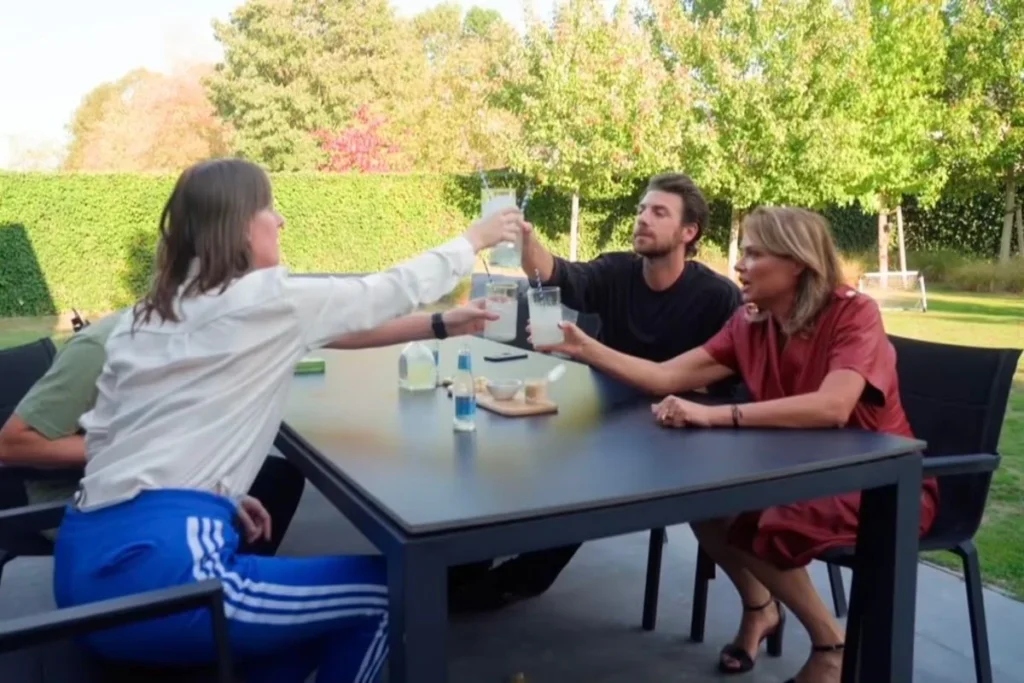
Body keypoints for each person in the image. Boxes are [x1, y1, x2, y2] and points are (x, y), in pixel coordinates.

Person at [50, 157, 524, 683]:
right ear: (239, 227)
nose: (280, 221)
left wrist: (221, 492)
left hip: (81, 571)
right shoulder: (267, 299)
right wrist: (473, 239)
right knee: (387, 593)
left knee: (312, 635)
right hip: (168, 576)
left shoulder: (144, 318)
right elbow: (386, 290)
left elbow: (118, 440)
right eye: (269, 209)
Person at [532, 206, 939, 683]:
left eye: (754, 254)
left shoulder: (853, 313)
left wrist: (715, 415)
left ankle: (832, 645)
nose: (739, 266)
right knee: (705, 505)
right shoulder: (751, 322)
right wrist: (585, 348)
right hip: (798, 471)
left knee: (757, 517)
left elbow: (832, 406)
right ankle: (767, 611)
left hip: (879, 486)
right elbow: (667, 376)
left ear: (798, 263)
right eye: (742, 253)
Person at [451, 173, 744, 613]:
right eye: (642, 208)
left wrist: (592, 351)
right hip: (609, 416)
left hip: (677, 437)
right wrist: (527, 238)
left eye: (658, 212)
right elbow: (556, 274)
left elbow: (727, 383)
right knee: (516, 451)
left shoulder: (718, 297)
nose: (642, 218)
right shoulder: (617, 271)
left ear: (690, 232)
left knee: (582, 475)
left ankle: (519, 579)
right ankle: (464, 564)